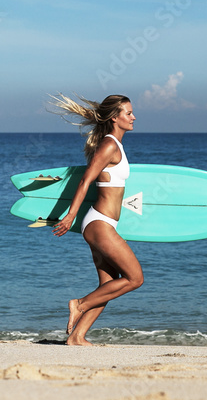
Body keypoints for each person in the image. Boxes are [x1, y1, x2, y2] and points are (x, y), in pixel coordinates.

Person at [49, 93, 143, 346]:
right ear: (115, 117)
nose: (134, 117)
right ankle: (78, 304)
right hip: (99, 223)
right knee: (135, 279)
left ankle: (77, 337)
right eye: (128, 113)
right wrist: (70, 216)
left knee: (109, 284)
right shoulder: (109, 145)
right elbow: (85, 180)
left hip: (104, 223)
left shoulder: (115, 145)